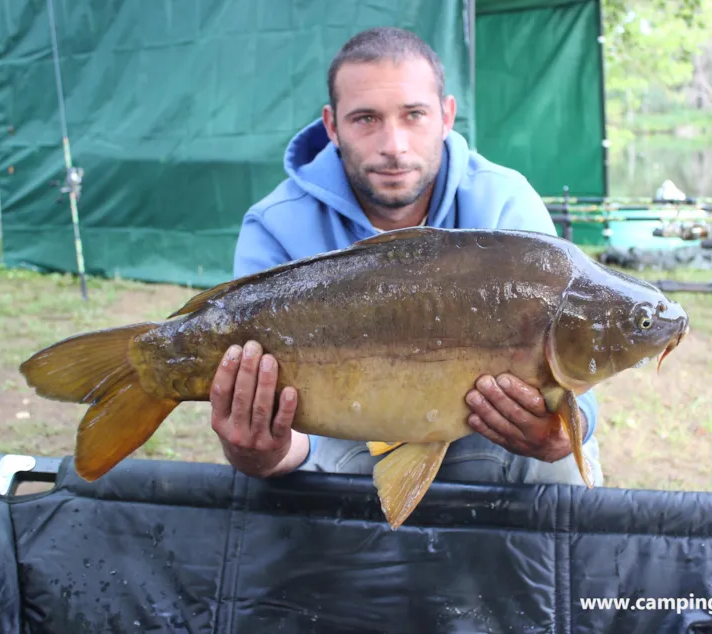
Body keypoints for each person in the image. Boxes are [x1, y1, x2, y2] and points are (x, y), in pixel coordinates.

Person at [208, 26, 604, 488]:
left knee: (562, 461)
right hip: (335, 442)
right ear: (332, 126)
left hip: (484, 435)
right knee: (273, 486)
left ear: (447, 115)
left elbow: (571, 375)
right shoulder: (276, 225)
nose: (393, 145)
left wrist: (561, 433)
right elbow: (283, 440)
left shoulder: (504, 205)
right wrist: (264, 453)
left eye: (414, 115)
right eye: (366, 119)